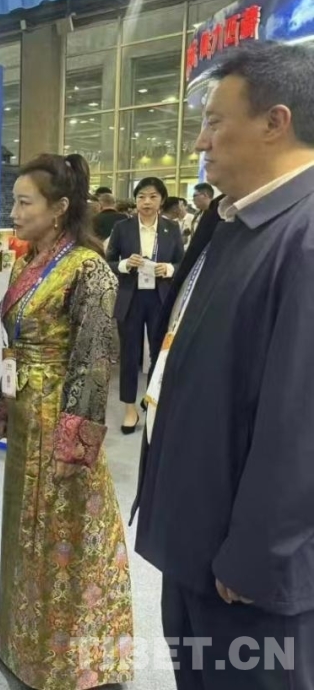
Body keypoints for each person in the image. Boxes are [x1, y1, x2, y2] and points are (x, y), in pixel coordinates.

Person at [132, 41, 314, 689]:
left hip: (246, 571)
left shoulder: (302, 236)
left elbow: (299, 425)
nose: (200, 140)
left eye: (214, 121)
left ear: (275, 122)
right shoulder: (234, 222)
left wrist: (255, 554)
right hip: (197, 534)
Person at [0, 153, 133, 690]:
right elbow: (15, 343)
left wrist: (76, 441)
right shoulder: (26, 262)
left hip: (61, 420)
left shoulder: (89, 269)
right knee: (25, 532)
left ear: (59, 208)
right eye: (14, 202)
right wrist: (5, 399)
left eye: (23, 202)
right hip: (27, 413)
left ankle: (74, 659)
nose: (14, 212)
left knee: (64, 534)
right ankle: (23, 642)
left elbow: (95, 360)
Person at [105, 177, 183, 434]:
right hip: (131, 298)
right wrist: (125, 264)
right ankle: (129, 408)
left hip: (160, 298)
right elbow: (108, 261)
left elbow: (182, 263)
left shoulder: (172, 228)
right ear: (135, 200)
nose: (146, 202)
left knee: (159, 353)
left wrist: (169, 268)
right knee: (129, 355)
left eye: (152, 196)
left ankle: (151, 400)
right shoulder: (122, 227)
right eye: (141, 197)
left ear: (162, 200)